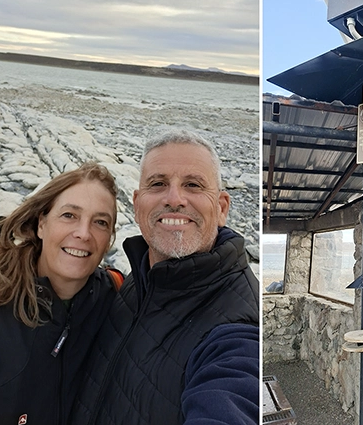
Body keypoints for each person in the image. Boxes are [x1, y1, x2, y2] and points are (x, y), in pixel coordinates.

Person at [71, 130, 260, 425]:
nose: (174, 199)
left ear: (221, 207)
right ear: (136, 204)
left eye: (193, 185)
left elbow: (232, 397)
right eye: (158, 184)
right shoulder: (138, 279)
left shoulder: (238, 331)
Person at [0, 162, 120, 425]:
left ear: (109, 240)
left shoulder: (116, 302)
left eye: (100, 222)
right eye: (69, 215)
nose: (83, 233)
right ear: (41, 223)